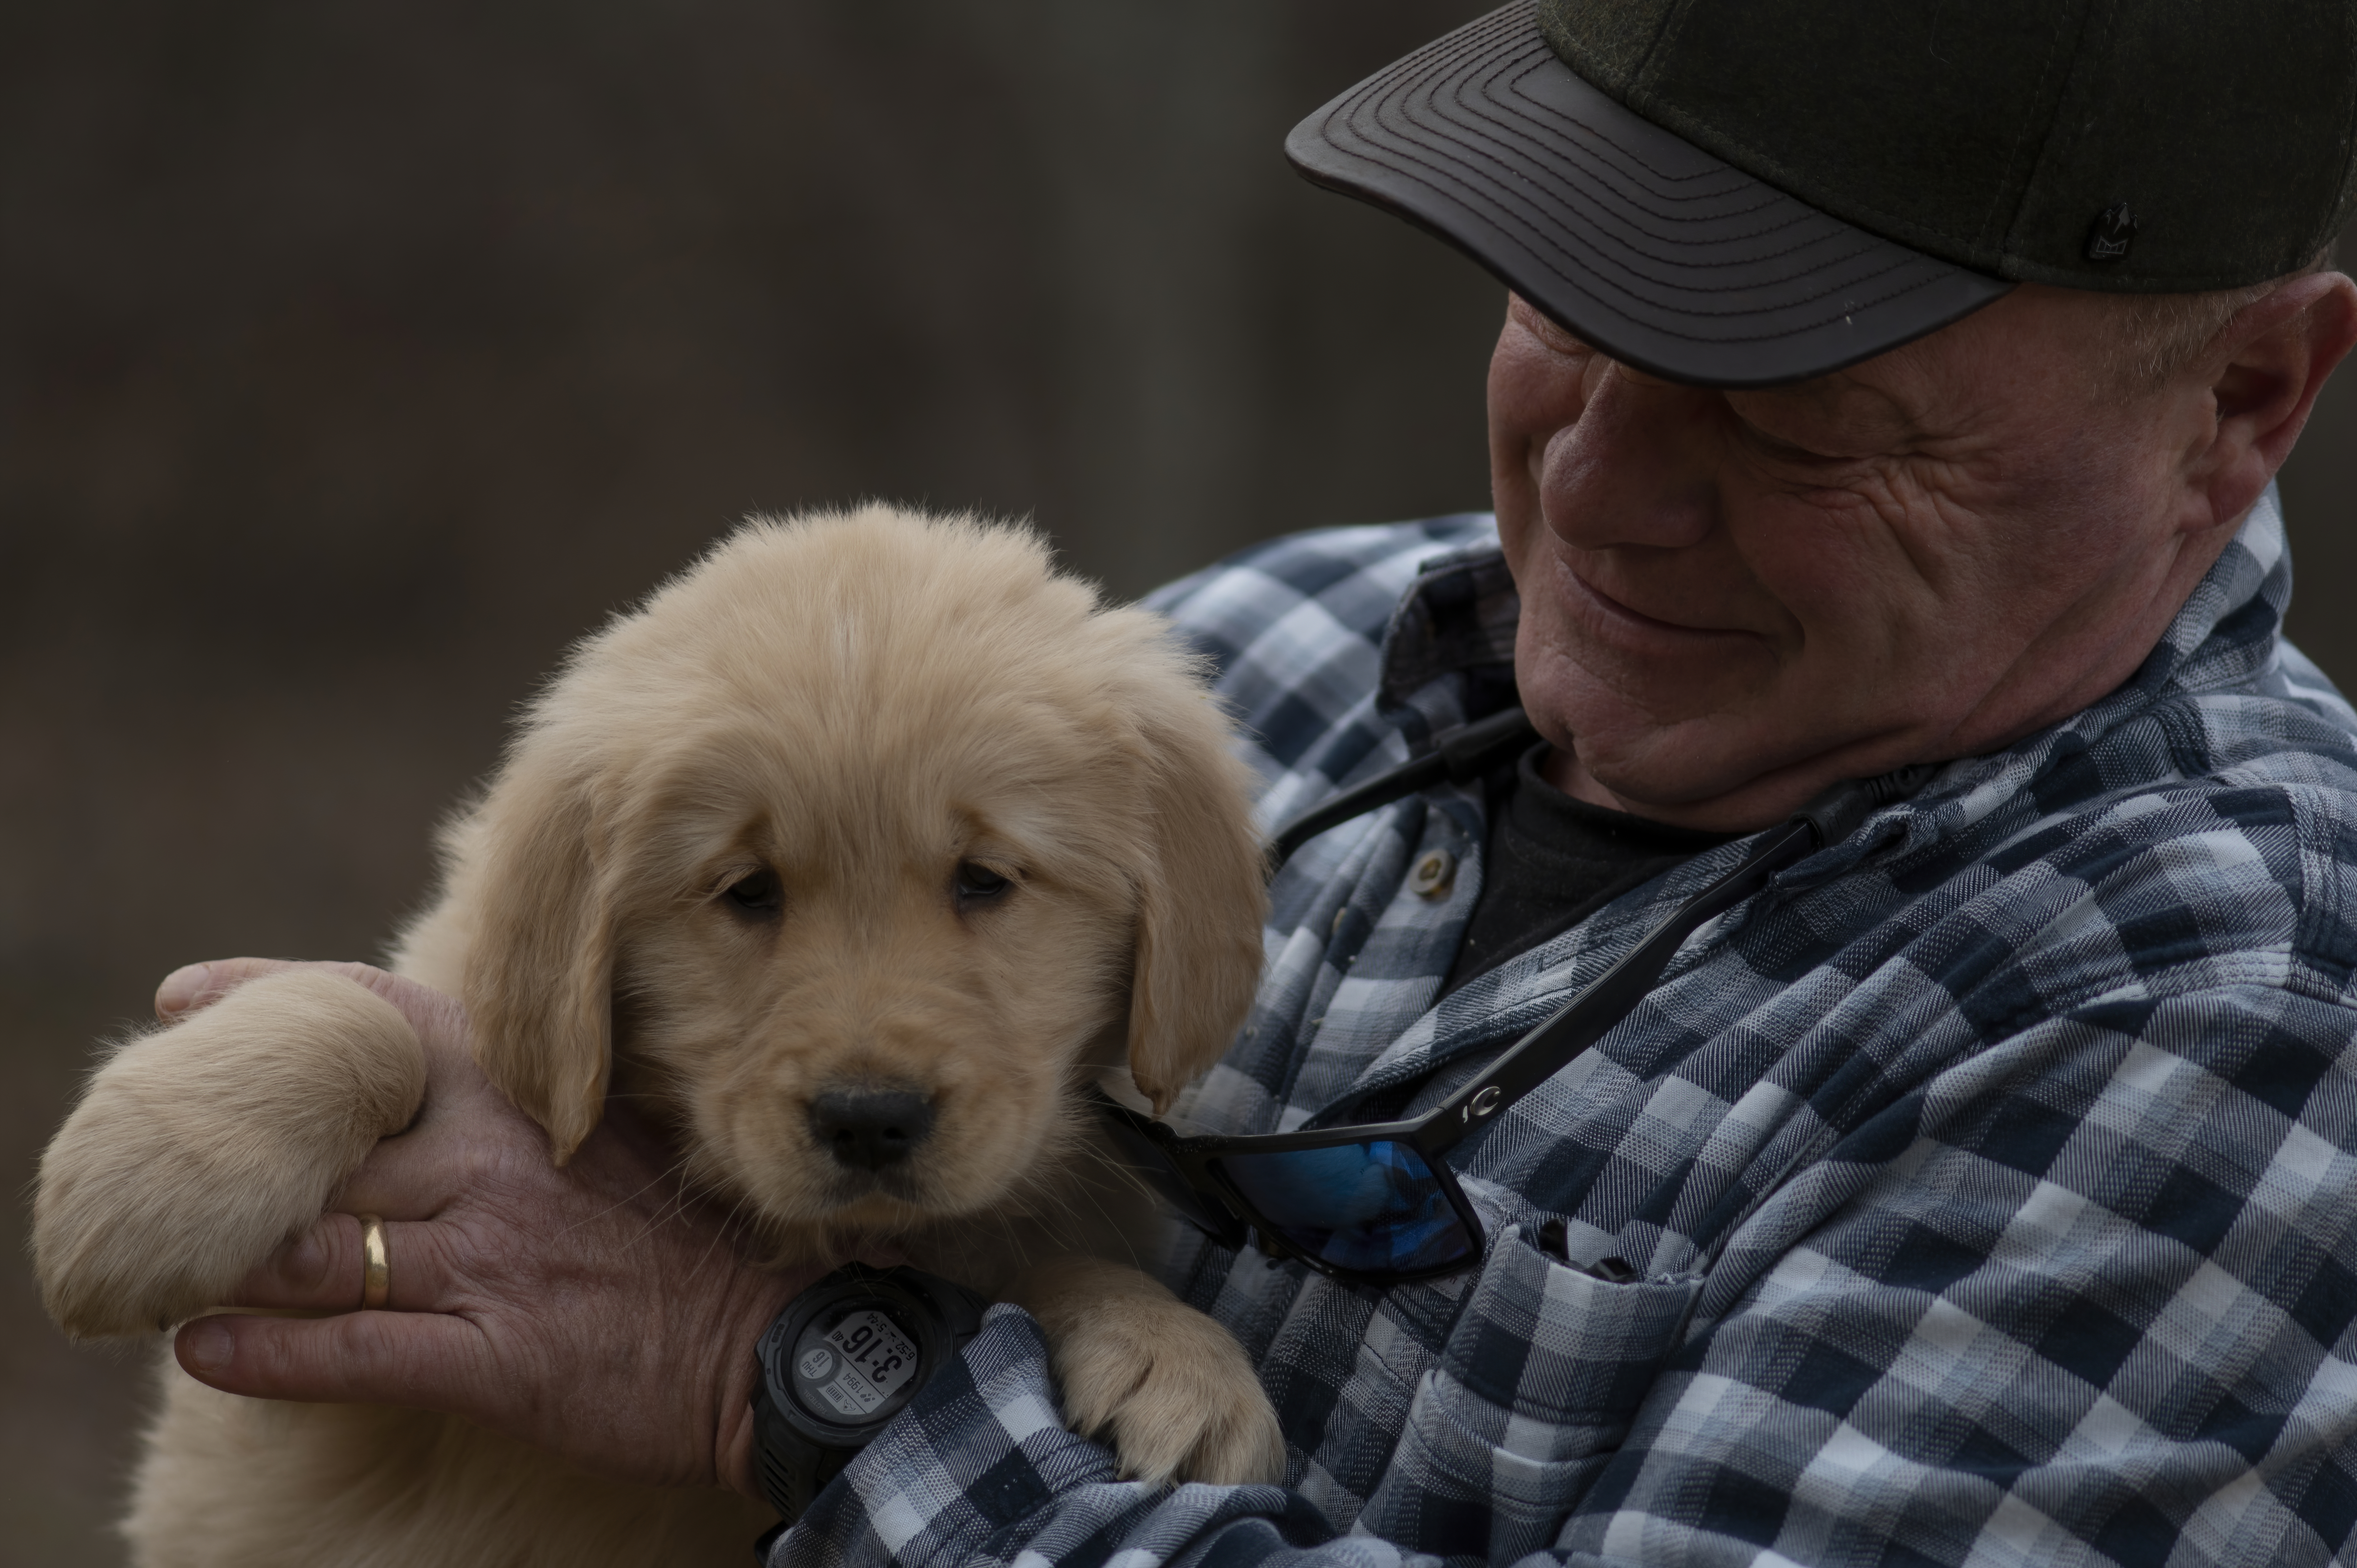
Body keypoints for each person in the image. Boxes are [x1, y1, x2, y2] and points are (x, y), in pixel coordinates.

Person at [155, 3, 2357, 1563]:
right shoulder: (1271, 654)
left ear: (2242, 397)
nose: (1596, 494)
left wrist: (795, 1382)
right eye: (1566, 313)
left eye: (1792, 418)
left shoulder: (2230, 1016)